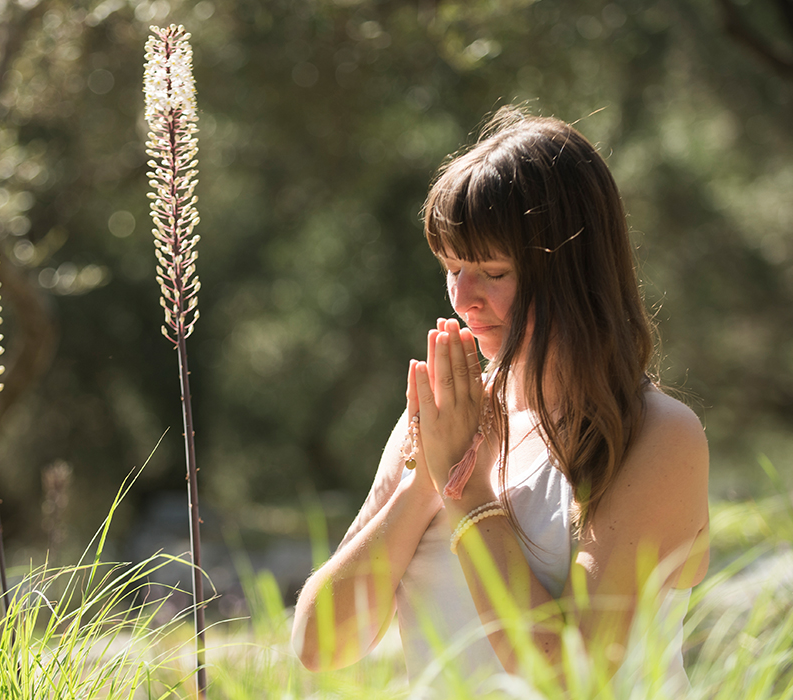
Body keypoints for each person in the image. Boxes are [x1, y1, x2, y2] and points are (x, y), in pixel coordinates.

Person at [290, 108, 709, 694]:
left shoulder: (659, 435)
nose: (464, 298)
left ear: (574, 271)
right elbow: (320, 645)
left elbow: (568, 675)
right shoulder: (442, 423)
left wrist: (466, 489)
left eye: (492, 271)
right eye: (453, 268)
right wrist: (423, 481)